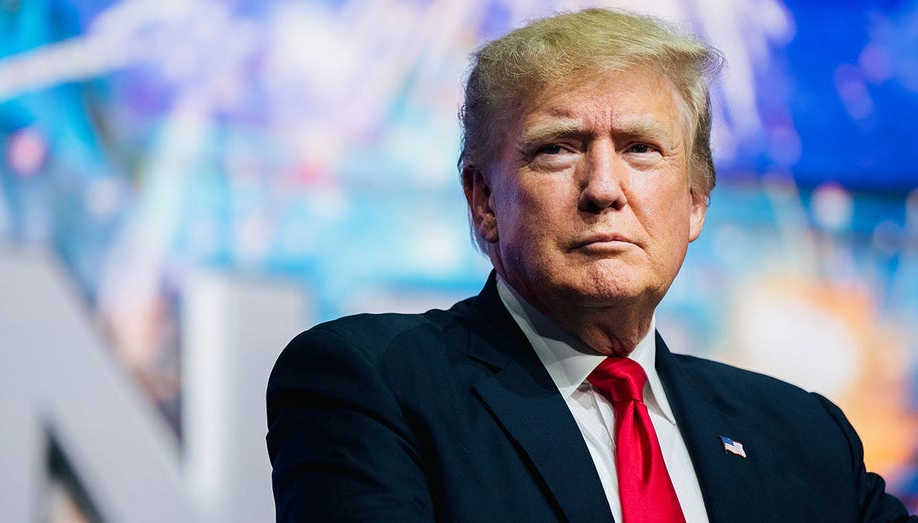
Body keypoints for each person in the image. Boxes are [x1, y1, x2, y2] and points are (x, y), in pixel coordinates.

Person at [266, 8, 916, 522]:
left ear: (694, 202)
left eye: (640, 148)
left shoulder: (803, 434)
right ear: (483, 199)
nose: (603, 187)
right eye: (557, 149)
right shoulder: (373, 382)